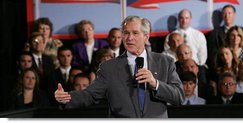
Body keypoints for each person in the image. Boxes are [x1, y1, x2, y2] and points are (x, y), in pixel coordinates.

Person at [55, 15, 184, 118]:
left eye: (135, 33)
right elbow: (90, 95)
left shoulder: (165, 62)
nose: (129, 38)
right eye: (126, 33)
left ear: (146, 37)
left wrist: (155, 83)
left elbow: (179, 96)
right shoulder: (108, 67)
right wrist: (67, 98)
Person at [206, 4, 243, 70]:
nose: (227, 16)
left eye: (229, 13)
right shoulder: (214, 34)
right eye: (224, 13)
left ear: (234, 15)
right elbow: (212, 56)